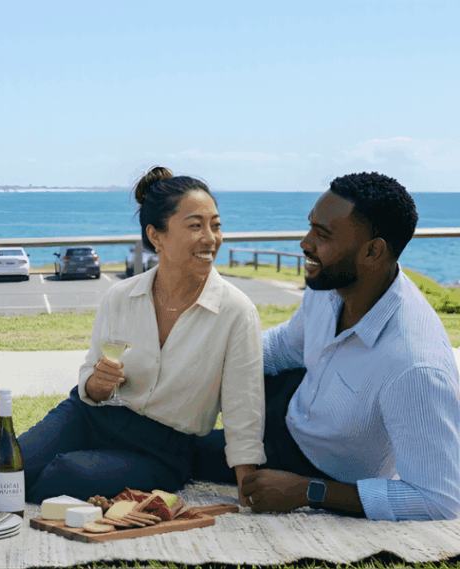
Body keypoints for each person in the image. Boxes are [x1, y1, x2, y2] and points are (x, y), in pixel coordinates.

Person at [192, 172, 460, 521]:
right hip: (289, 404)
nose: (304, 243)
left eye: (322, 235)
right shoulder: (335, 286)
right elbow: (286, 345)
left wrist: (308, 491)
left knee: (173, 450)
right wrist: (206, 362)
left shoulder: (415, 366)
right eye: (310, 228)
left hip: (316, 468)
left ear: (373, 251)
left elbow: (437, 499)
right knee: (174, 404)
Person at [14, 166, 266, 504]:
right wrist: (97, 384)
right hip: (89, 417)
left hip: (163, 452)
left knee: (64, 473)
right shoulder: (120, 297)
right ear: (156, 236)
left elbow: (243, 410)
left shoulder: (236, 312)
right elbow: (90, 379)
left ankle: (14, 493)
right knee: (7, 465)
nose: (210, 238)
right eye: (195, 226)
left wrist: (249, 488)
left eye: (215, 225)